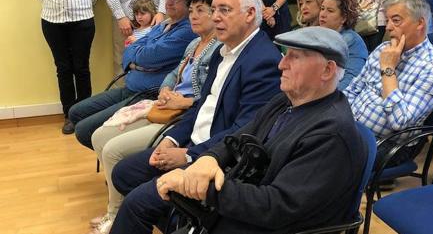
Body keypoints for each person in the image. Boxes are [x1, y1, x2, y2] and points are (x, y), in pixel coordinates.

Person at [110, 27, 366, 234]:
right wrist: (209, 159)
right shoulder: (287, 100)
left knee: (144, 204)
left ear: (327, 70)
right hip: (243, 196)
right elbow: (241, 135)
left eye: (294, 57)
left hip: (266, 221)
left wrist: (200, 187)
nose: (281, 65)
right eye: (285, 54)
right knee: (141, 201)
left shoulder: (331, 134)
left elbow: (276, 207)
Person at [109, 0, 283, 231]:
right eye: (214, 10)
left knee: (136, 205)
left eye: (224, 10)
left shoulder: (262, 60)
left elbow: (246, 130)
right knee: (124, 173)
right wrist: (172, 140)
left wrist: (190, 154)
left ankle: (188, 218)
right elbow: (201, 105)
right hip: (191, 144)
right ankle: (184, 219)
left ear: (250, 14)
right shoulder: (223, 51)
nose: (216, 17)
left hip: (215, 160)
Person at [88, 0, 220, 234]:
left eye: (200, 10)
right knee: (98, 136)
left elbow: (210, 99)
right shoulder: (193, 43)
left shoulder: (218, 50)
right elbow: (173, 73)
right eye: (191, 11)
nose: (193, 16)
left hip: (180, 116)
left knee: (113, 151)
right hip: (162, 105)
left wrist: (182, 102)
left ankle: (116, 214)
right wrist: (165, 89)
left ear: (216, 14)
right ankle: (120, 204)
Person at [68, 0, 198, 150]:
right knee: (75, 112)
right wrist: (137, 55)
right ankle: (111, 152)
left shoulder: (187, 30)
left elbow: (148, 56)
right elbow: (129, 51)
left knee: (84, 130)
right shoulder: (163, 25)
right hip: (129, 87)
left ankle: (118, 156)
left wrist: (137, 55)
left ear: (190, 3)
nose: (168, 1)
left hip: (146, 94)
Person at [345, 0, 433, 165]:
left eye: (396, 20)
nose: (388, 27)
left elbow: (399, 122)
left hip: (389, 145)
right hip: (352, 129)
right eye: (387, 20)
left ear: (420, 23)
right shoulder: (383, 48)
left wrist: (388, 70)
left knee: (325, 159)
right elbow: (353, 89)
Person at [33, 0, 101, 134]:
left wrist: (79, 5)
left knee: (81, 67)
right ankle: (69, 115)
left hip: (82, 21)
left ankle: (85, 114)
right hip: (52, 22)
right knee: (63, 69)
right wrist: (59, 7)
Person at [319, 0, 368, 90]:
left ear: (344, 18)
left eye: (330, 11)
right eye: (322, 9)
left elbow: (351, 82)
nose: (322, 14)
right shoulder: (319, 36)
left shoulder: (353, 41)